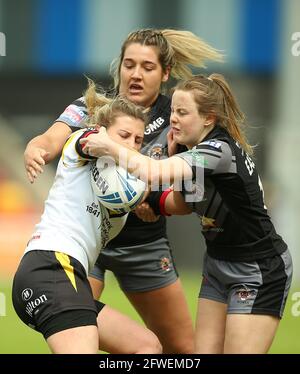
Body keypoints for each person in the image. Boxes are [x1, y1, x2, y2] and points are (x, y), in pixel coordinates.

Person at [23, 28, 223, 353]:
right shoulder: (95, 106)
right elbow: (51, 139)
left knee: (183, 352)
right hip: (91, 247)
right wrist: (37, 149)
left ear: (165, 73)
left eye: (147, 67)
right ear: (119, 67)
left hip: (145, 245)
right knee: (77, 334)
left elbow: (191, 190)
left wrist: (157, 202)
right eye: (129, 64)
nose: (136, 74)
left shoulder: (178, 115)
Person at [81, 74, 293, 354]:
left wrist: (109, 145)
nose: (174, 119)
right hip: (218, 264)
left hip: (258, 268)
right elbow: (183, 204)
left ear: (209, 118)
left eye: (183, 112)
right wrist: (150, 204)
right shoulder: (192, 151)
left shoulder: (218, 151)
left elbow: (152, 171)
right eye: (173, 112)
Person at [12, 89, 162, 354]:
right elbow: (92, 142)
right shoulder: (87, 141)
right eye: (124, 135)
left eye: (139, 140)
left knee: (146, 347)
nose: (131, 145)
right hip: (52, 267)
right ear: (103, 130)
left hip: (70, 276)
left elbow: (151, 188)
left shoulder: (127, 189)